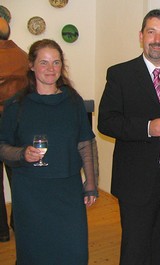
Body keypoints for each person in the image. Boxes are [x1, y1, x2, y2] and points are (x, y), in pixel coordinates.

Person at [98, 9, 160, 265]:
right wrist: (147, 127)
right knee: (135, 248)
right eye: (151, 32)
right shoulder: (120, 74)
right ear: (141, 36)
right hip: (135, 180)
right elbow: (106, 122)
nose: (157, 39)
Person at [0, 39, 99, 265]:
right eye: (43, 63)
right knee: (35, 253)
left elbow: (85, 142)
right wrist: (23, 153)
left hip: (68, 190)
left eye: (56, 62)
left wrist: (91, 183)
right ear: (31, 65)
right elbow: (2, 146)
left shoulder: (72, 101)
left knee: (74, 252)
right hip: (31, 193)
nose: (51, 69)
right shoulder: (16, 104)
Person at [0, 17, 28, 242]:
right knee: (18, 177)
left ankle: (1, 231)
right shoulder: (23, 55)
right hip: (17, 123)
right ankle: (19, 224)